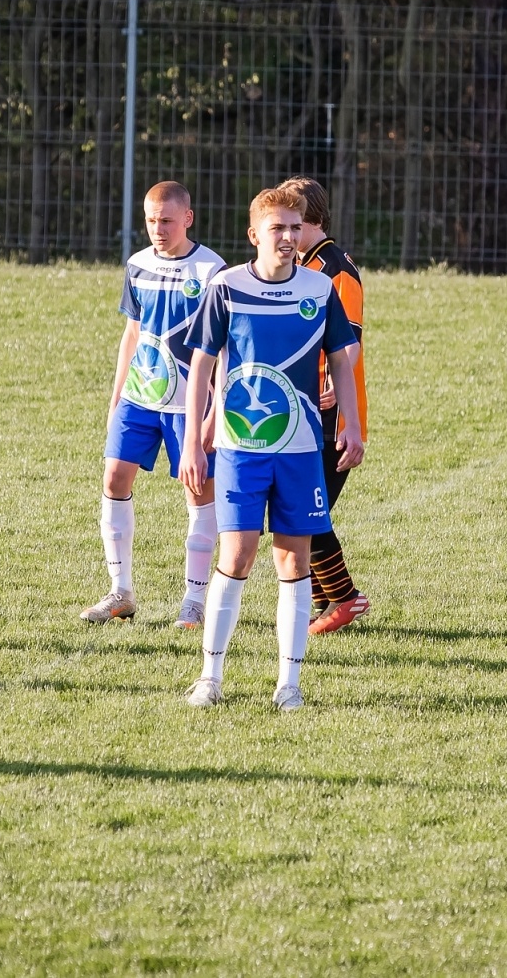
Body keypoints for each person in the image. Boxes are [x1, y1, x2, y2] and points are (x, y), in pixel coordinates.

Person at [179, 187, 363, 710]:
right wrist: (194, 440)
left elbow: (342, 358)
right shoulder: (227, 287)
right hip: (242, 448)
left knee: (293, 559)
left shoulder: (318, 289)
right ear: (254, 234)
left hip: (303, 450)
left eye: (293, 226)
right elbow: (201, 368)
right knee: (236, 554)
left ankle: (289, 684)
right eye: (275, 228)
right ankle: (210, 677)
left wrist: (349, 424)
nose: (286, 237)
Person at [83, 181, 228, 628]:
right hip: (140, 396)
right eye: (151, 220)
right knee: (114, 476)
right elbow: (132, 333)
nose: (158, 229)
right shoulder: (138, 265)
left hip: (190, 403)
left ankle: (195, 600)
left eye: (167, 220)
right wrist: (115, 396)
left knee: (198, 491)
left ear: (188, 218)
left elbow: (223, 350)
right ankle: (120, 591)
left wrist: (214, 415)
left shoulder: (212, 271)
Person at [275, 176, 370, 635]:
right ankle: (325, 603)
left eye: (293, 223)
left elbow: (348, 340)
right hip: (304, 407)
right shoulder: (305, 265)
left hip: (333, 413)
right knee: (300, 511)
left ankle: (345, 599)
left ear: (310, 219)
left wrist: (334, 379)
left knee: (306, 512)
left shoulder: (335, 268)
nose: (286, 234)